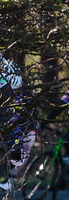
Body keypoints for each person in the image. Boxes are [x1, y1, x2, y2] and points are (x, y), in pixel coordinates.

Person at [0, 58, 35, 188]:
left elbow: (32, 114)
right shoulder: (3, 89)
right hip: (8, 127)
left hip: (22, 128)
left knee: (25, 149)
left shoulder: (27, 94)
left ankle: (10, 179)